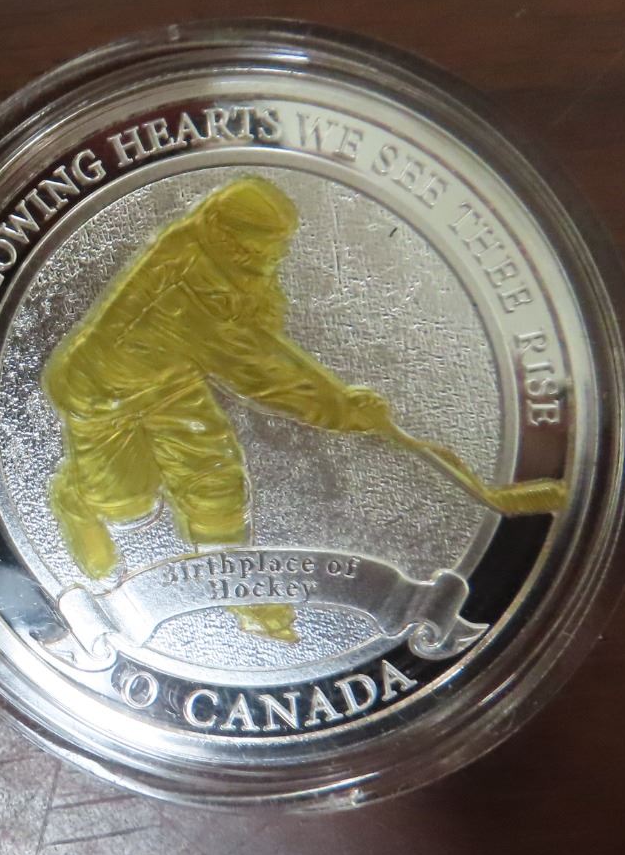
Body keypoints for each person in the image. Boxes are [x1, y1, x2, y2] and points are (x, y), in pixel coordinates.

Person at [42, 175, 391, 643]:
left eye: (277, 250)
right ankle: (75, 496)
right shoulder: (188, 285)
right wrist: (338, 410)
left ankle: (235, 586)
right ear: (228, 236)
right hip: (105, 388)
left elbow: (257, 314)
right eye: (263, 249)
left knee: (215, 476)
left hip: (170, 378)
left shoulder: (227, 256)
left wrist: (262, 315)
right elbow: (250, 370)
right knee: (128, 504)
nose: (271, 258)